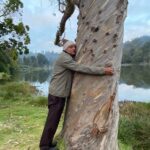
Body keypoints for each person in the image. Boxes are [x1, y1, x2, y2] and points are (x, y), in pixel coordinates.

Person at [39, 40, 114, 150]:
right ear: (65, 48)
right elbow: (81, 68)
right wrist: (103, 70)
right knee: (52, 120)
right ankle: (44, 146)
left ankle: (49, 142)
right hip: (56, 95)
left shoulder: (67, 57)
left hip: (58, 94)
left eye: (74, 47)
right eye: (70, 47)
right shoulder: (64, 58)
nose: (73, 48)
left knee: (55, 119)